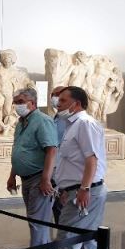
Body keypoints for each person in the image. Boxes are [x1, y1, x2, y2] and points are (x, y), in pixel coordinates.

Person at [41, 86, 107, 249]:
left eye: (62, 100)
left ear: (76, 104)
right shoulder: (72, 125)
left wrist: (84, 189)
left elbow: (91, 160)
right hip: (75, 190)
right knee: (87, 242)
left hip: (86, 191)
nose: (58, 104)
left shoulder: (85, 124)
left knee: (67, 240)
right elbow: (71, 162)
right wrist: (64, 189)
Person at [7, 87, 58, 249]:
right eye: (15, 102)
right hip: (26, 178)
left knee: (37, 223)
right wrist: (12, 175)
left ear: (32, 103)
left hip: (39, 178)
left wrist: (46, 179)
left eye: (20, 101)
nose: (17, 105)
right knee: (37, 222)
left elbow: (51, 150)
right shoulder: (21, 123)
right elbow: (19, 150)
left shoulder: (42, 120)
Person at [50, 85, 67, 224]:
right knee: (56, 207)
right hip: (54, 169)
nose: (55, 98)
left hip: (63, 171)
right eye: (53, 95)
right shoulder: (56, 117)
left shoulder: (69, 120)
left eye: (58, 94)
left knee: (63, 208)